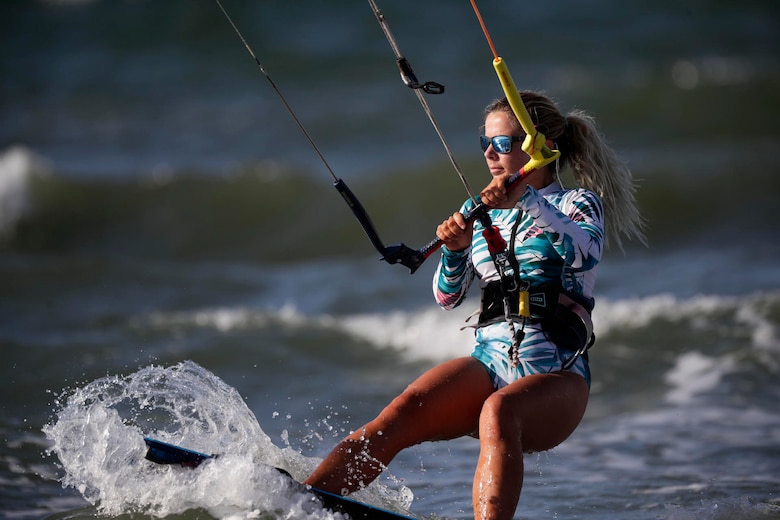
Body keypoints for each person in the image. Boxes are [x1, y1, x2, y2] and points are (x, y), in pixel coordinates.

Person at [304, 91, 645, 520]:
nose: (489, 152)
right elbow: (447, 298)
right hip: (489, 364)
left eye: (502, 143)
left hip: (558, 376)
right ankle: (300, 501)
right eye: (485, 142)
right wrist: (455, 250)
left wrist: (525, 200)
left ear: (539, 147)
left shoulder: (574, 204)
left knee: (500, 411)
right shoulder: (481, 211)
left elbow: (583, 254)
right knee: (404, 410)